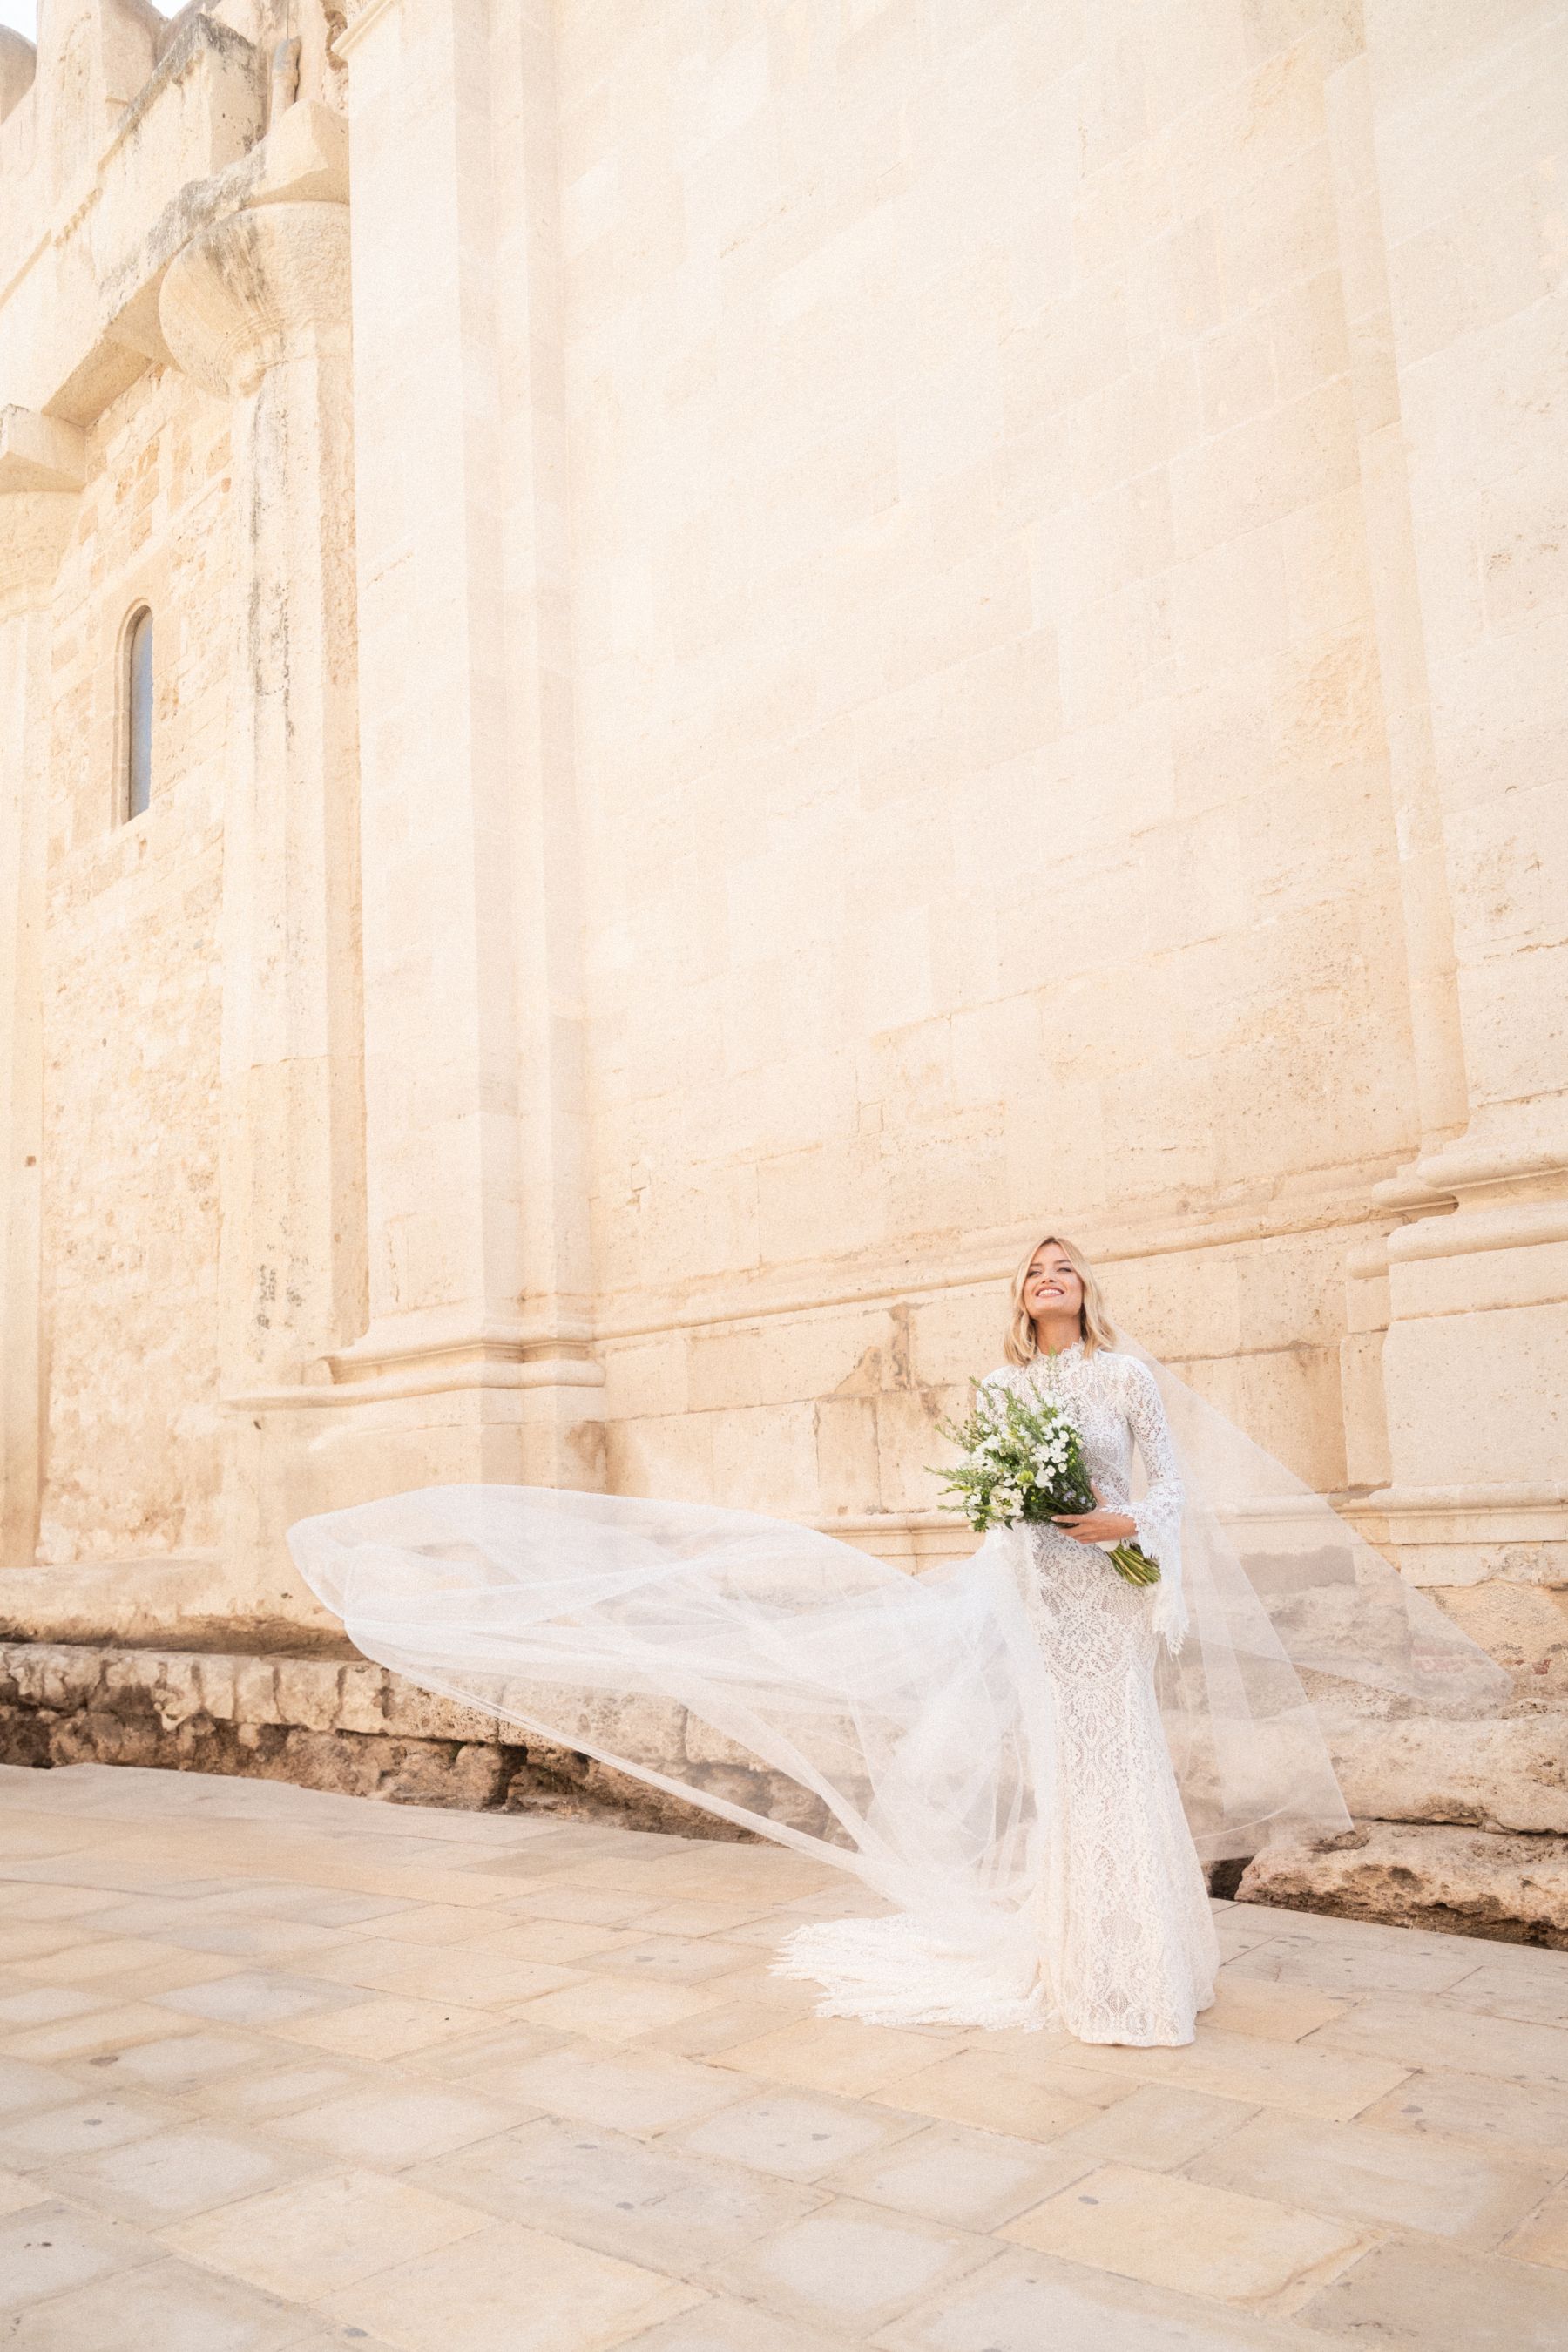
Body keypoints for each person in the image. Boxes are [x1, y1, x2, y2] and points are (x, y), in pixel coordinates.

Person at [286, 1228, 1508, 2050]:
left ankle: (1152, 1973)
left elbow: (1175, 1489)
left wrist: (1122, 1523)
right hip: (1041, 1596)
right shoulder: (998, 1395)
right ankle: (1085, 1973)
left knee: (1124, 1759)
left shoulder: (1125, 1376)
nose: (1052, 1279)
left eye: (1067, 1268)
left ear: (1087, 1292)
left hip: (1111, 1590)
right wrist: (1026, 1544)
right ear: (1016, 1296)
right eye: (1036, 1270)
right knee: (1074, 1775)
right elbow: (993, 1506)